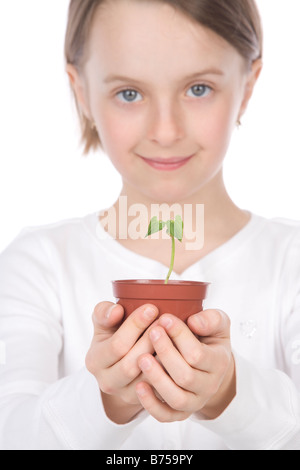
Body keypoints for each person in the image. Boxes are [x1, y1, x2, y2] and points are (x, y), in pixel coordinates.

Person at [0, 0, 300, 450]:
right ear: (81, 91)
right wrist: (104, 399)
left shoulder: (290, 261)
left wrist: (229, 393)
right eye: (129, 93)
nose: (164, 131)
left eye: (198, 89)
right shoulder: (37, 265)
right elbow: (12, 432)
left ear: (249, 83)